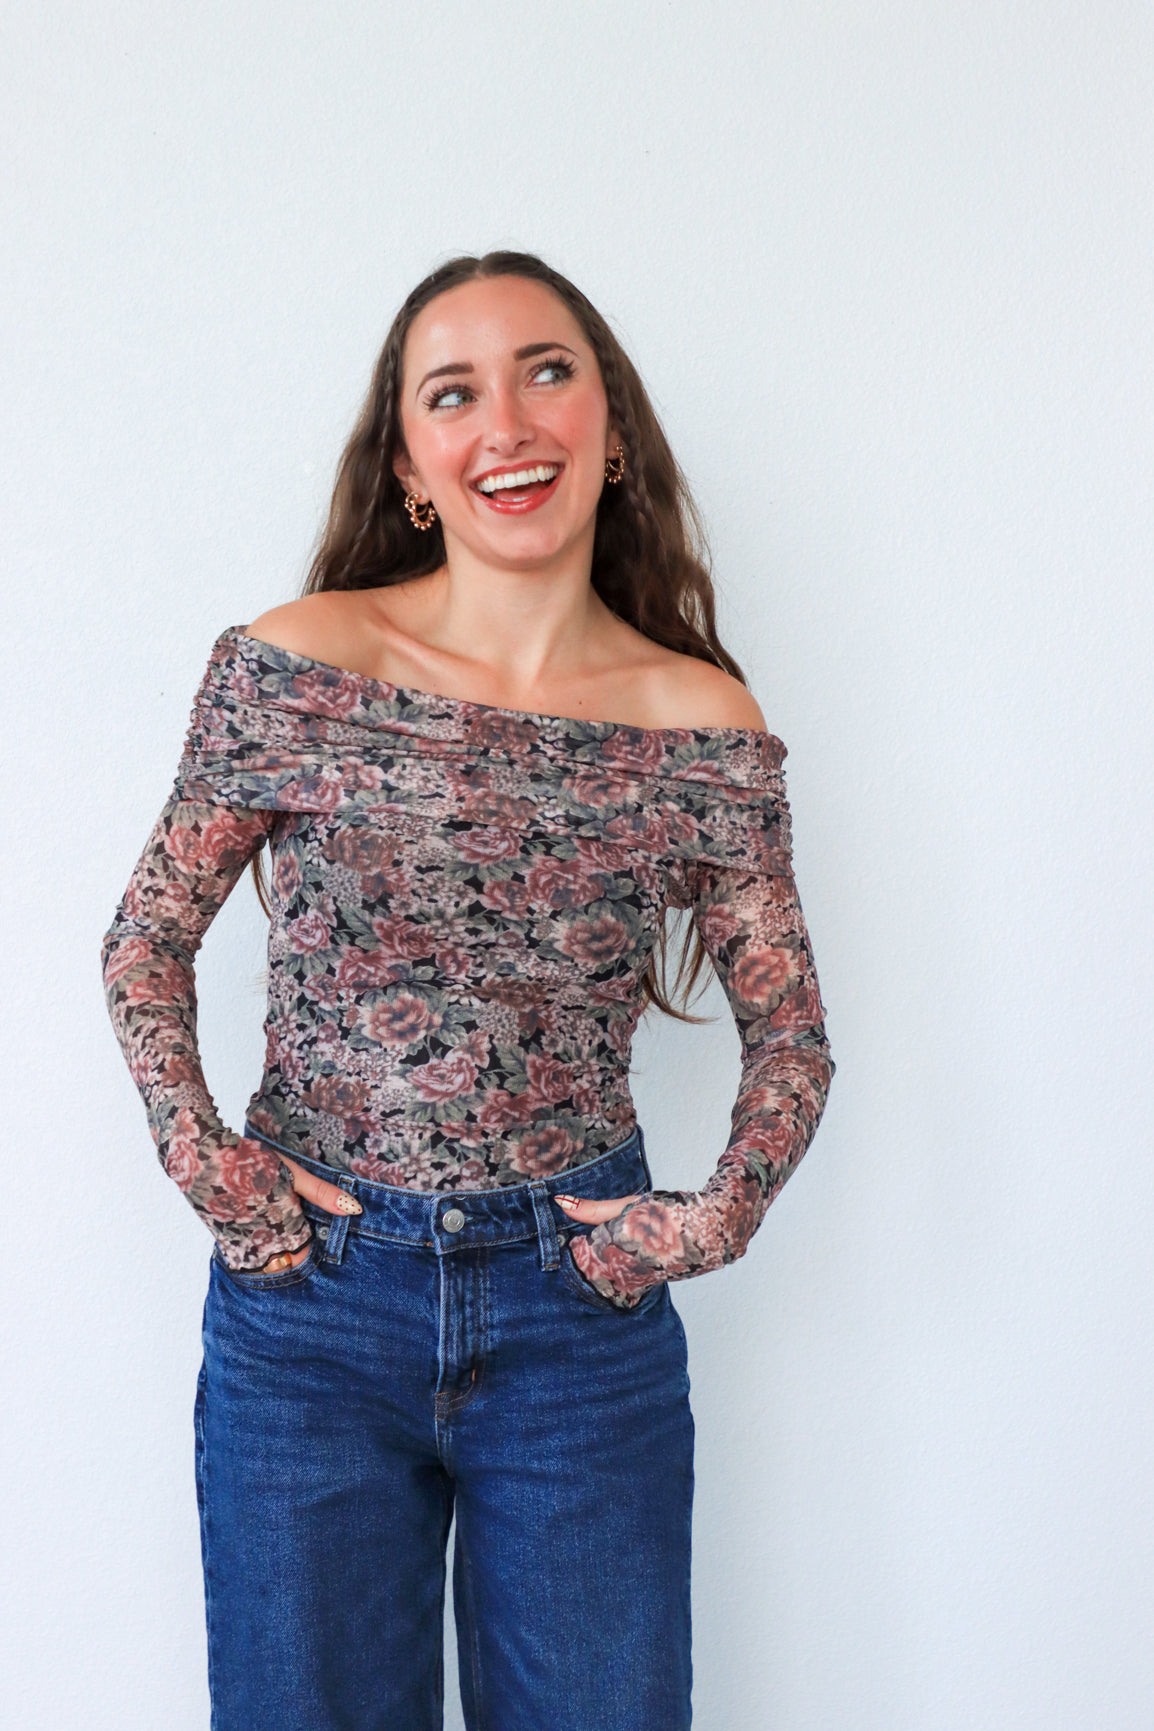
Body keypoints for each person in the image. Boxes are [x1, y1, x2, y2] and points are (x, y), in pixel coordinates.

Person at [100, 250, 834, 1731]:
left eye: (545, 371)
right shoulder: (296, 667)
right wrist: (211, 1169)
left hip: (576, 1324)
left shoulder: (696, 720)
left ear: (612, 432)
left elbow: (793, 1038)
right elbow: (144, 939)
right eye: (454, 392)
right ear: (413, 465)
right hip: (311, 1316)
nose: (506, 420)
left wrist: (705, 1220)